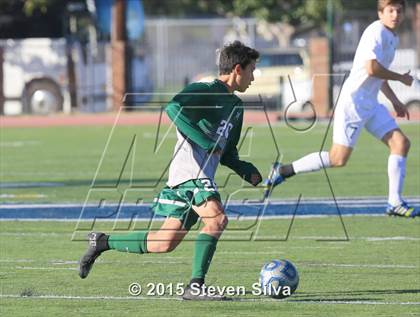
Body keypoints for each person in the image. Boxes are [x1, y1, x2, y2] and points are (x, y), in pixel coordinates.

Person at [78, 41, 263, 300]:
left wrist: (246, 170)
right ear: (237, 69)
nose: (254, 77)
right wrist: (204, 140)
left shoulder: (236, 108)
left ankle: (102, 242)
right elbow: (173, 108)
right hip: (190, 173)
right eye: (252, 70)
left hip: (200, 176)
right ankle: (195, 287)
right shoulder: (207, 89)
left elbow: (227, 153)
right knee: (217, 220)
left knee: (164, 243)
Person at [265, 0, 418, 217]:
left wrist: (395, 101)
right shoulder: (376, 31)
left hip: (370, 103)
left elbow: (377, 76)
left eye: (399, 11)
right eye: (390, 10)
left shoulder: (392, 37)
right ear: (380, 13)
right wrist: (401, 78)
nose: (395, 14)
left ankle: (394, 203)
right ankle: (282, 171)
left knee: (401, 143)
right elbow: (371, 68)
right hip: (353, 103)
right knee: (338, 159)